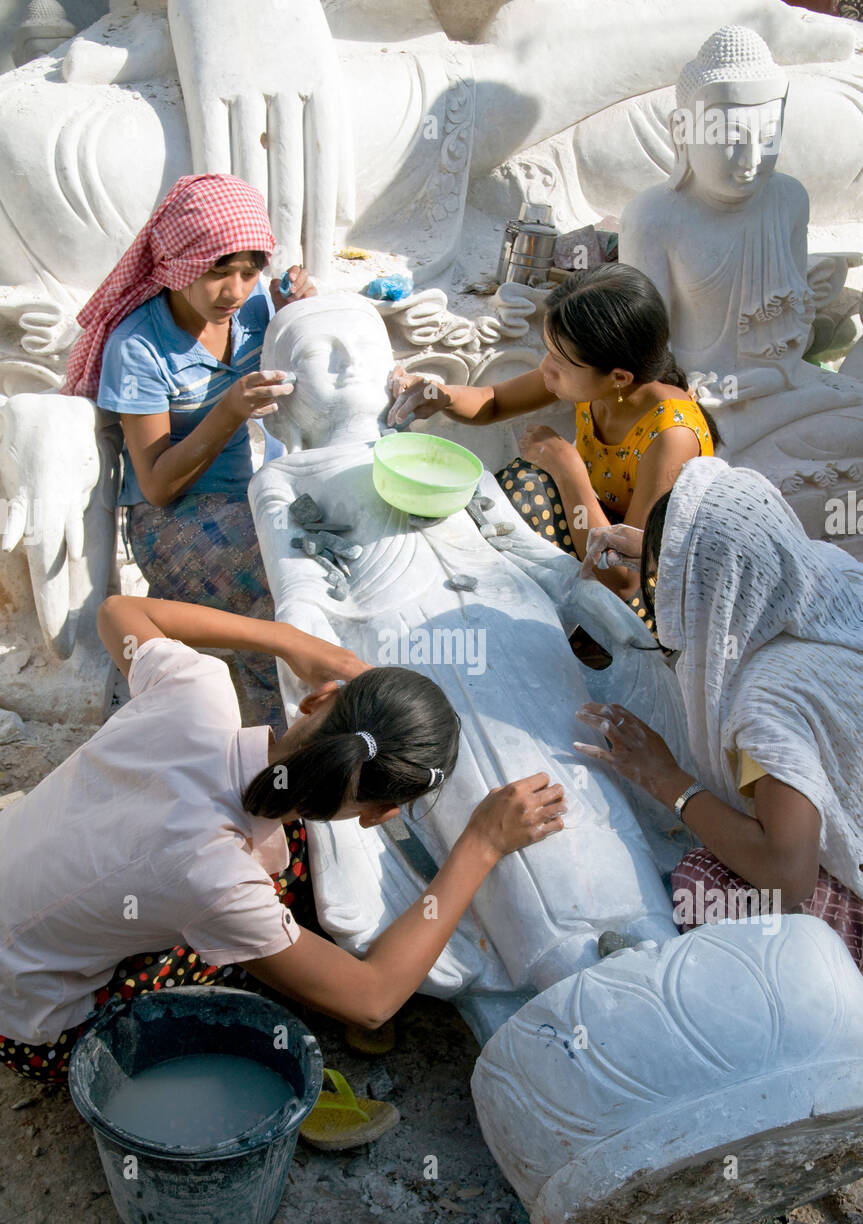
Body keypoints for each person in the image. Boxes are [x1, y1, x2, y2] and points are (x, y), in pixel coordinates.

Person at [0, 595, 566, 1082]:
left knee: (276, 866)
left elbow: (120, 610)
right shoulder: (218, 880)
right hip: (31, 1026)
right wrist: (482, 845)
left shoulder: (194, 687)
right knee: (257, 917)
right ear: (378, 814)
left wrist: (287, 640)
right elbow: (370, 1000)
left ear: (318, 700)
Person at [573, 456, 863, 967]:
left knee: (702, 883)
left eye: (664, 580)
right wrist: (658, 552)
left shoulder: (766, 704)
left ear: (712, 585)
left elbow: (788, 877)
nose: (655, 591)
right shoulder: (829, 570)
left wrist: (667, 781)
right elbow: (737, 559)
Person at [62, 172, 315, 724]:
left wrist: (297, 310)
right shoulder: (139, 347)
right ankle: (284, 746)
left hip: (249, 498)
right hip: (172, 522)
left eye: (249, 273)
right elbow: (155, 483)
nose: (234, 291)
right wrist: (228, 411)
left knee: (321, 557)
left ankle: (297, 727)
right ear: (177, 265)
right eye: (217, 273)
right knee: (285, 572)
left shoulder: (250, 311)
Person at [387, 263, 717, 628]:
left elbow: (623, 580)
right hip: (596, 530)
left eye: (559, 361)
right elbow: (494, 400)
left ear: (619, 377)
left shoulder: (671, 437)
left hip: (644, 591)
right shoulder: (603, 384)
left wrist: (567, 470)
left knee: (529, 487)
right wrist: (439, 395)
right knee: (514, 493)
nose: (546, 370)